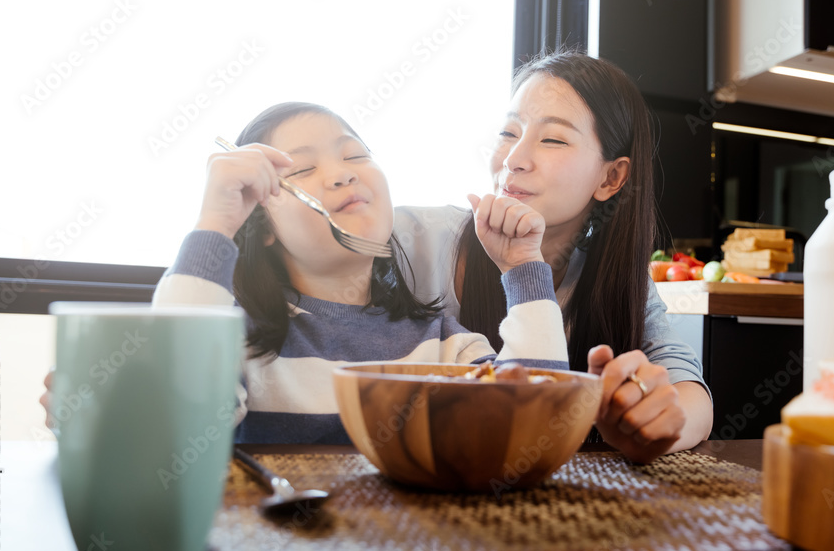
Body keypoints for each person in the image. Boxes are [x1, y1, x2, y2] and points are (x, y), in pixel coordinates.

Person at [44, 101, 571, 444]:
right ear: (263, 227)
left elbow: (536, 427)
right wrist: (216, 224)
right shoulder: (239, 347)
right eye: (301, 171)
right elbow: (169, 421)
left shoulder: (442, 345)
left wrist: (524, 267)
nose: (341, 172)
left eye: (355, 155)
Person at [391, 51, 713, 463]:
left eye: (552, 139)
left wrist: (656, 421)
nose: (513, 159)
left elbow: (688, 390)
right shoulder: (419, 239)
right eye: (509, 133)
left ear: (611, 178)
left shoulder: (616, 277)